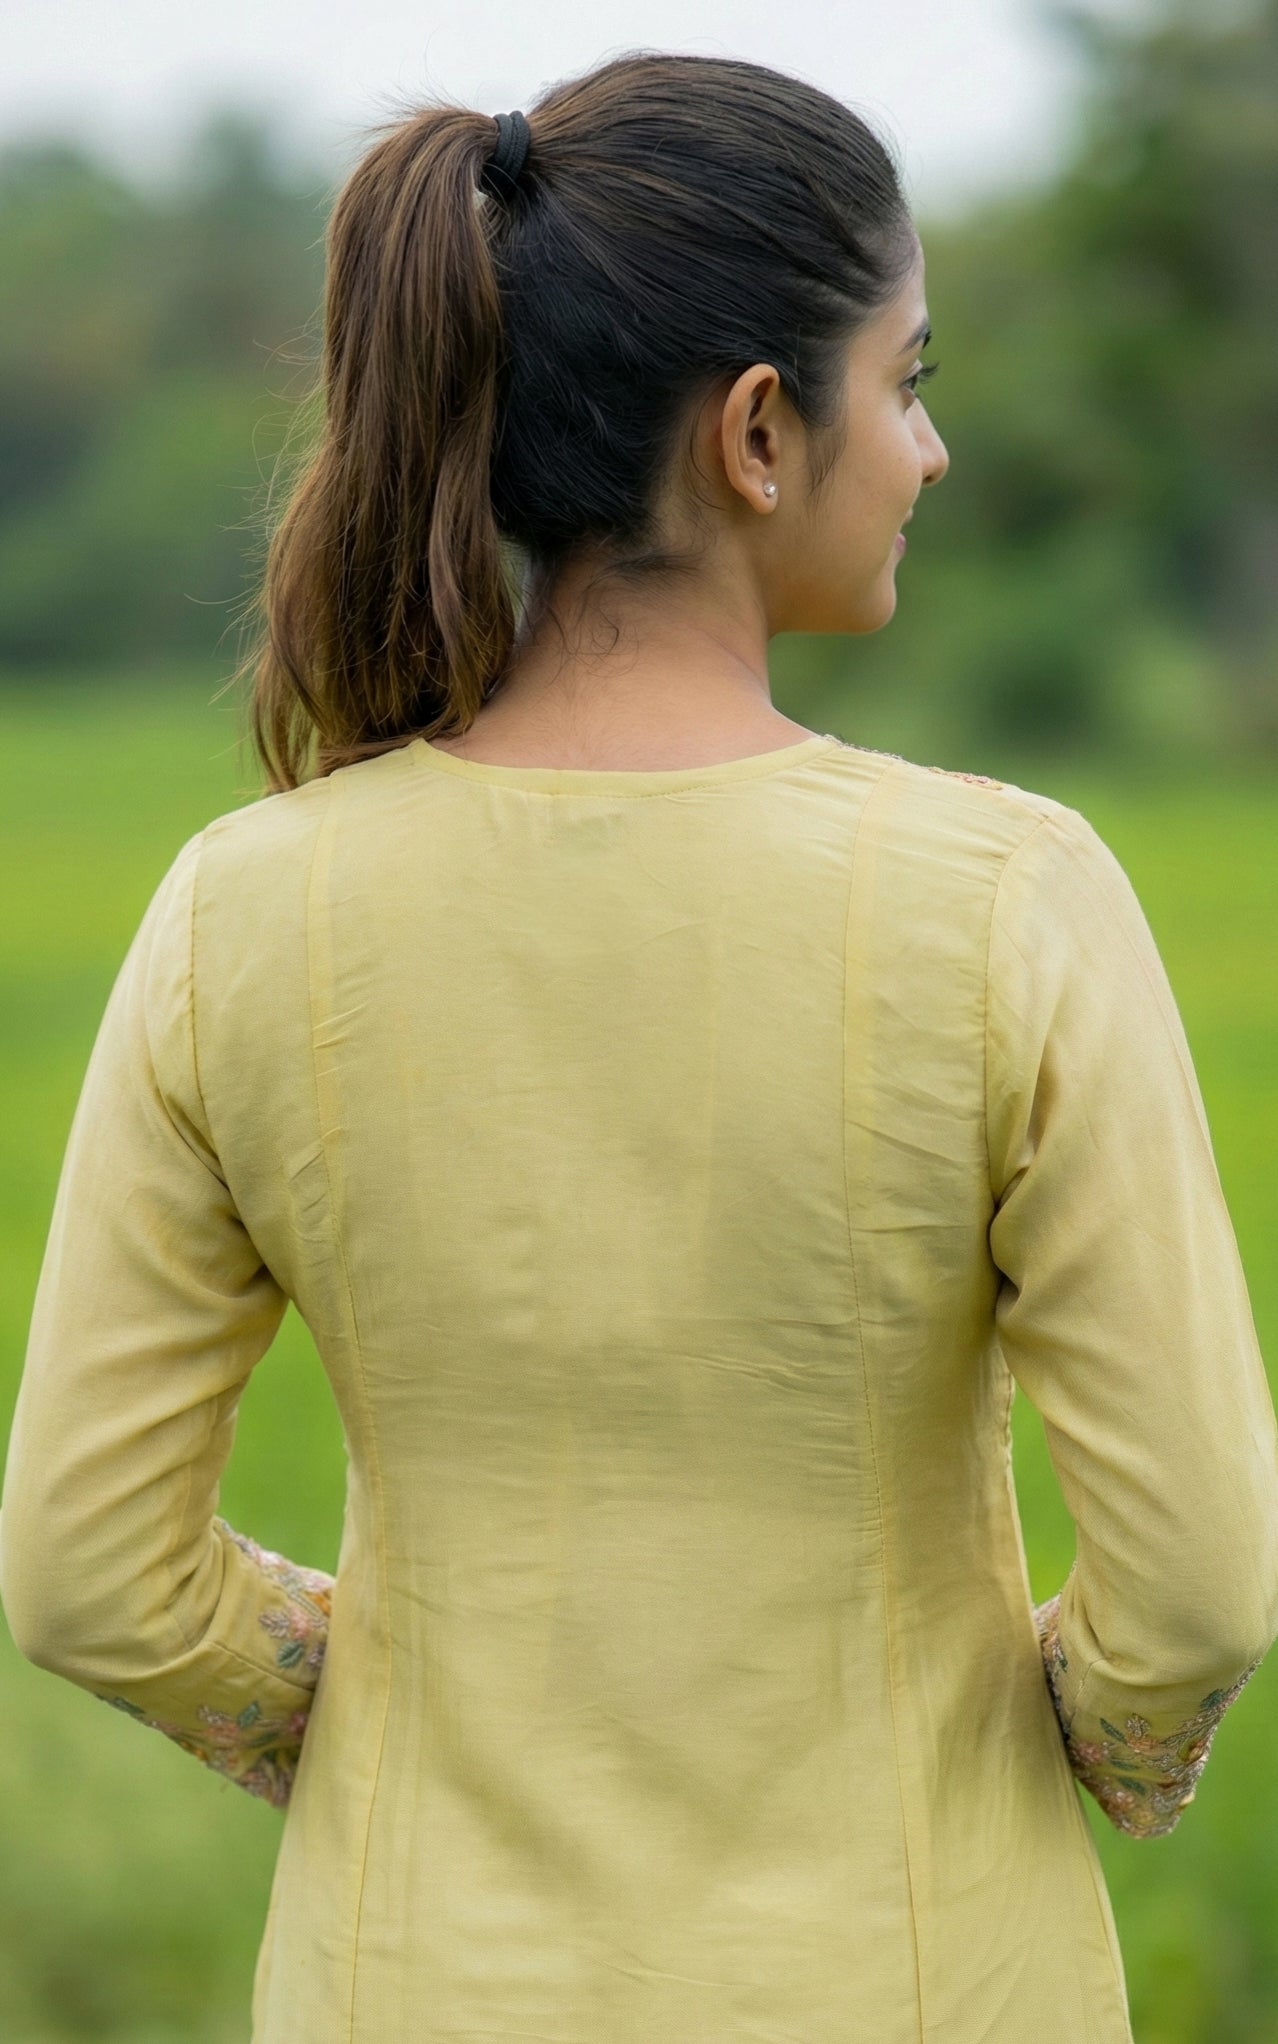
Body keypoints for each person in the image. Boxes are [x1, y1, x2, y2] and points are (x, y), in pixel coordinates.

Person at [2, 47, 1276, 2044]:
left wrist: (364, 1716)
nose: (931, 450)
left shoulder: (237, 915)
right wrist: (1088, 1749)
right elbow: (1197, 1588)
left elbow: (85, 1567)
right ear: (761, 429)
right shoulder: (1005, 898)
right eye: (912, 376)